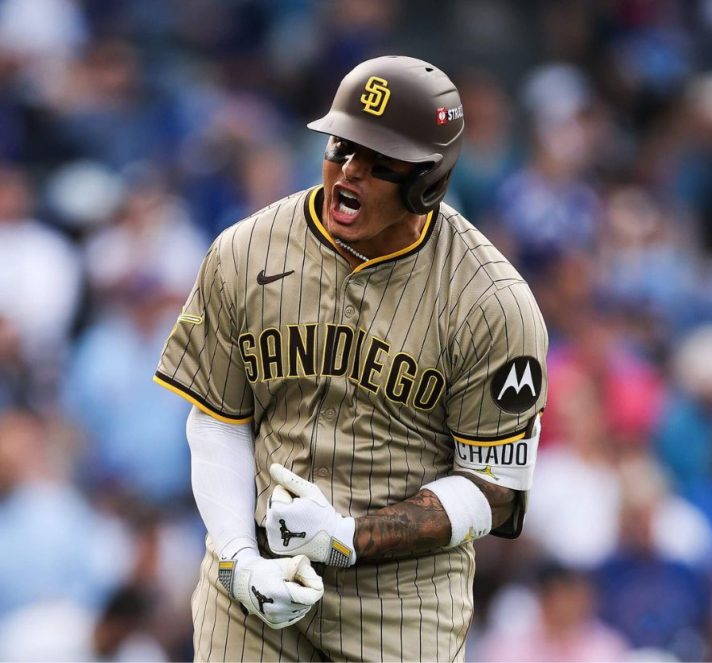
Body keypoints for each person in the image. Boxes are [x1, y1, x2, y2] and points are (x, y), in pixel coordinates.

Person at [153, 56, 548, 661]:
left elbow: (494, 489)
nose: (350, 171)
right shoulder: (244, 251)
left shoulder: (491, 303)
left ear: (428, 179)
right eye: (342, 147)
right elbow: (217, 419)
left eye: (378, 160)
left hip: (403, 606)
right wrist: (236, 557)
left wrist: (346, 538)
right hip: (256, 584)